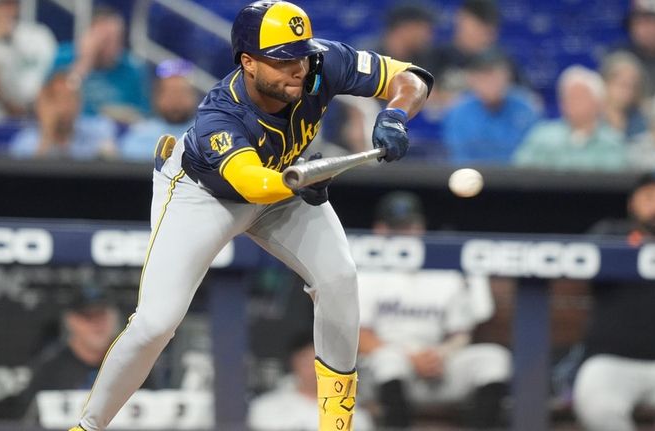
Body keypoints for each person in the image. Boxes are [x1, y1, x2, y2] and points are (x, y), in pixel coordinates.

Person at [67, 2, 433, 431]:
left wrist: (395, 114)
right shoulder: (220, 113)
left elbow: (414, 79)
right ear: (248, 62)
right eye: (282, 60)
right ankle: (88, 426)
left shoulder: (322, 62)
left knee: (339, 279)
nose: (297, 68)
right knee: (155, 323)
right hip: (204, 195)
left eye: (300, 54)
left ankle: (337, 425)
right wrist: (297, 182)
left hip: (284, 181)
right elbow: (250, 184)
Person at [357, 191, 511, 429]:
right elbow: (359, 335)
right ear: (380, 229)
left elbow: (460, 335)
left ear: (421, 227)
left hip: (436, 365)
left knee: (493, 358)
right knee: (388, 361)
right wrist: (411, 357)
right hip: (386, 370)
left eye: (410, 226)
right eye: (397, 228)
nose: (405, 233)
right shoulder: (367, 273)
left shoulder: (443, 272)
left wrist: (440, 354)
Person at [574, 172, 655, 431]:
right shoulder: (611, 234)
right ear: (633, 203)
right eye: (649, 198)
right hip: (613, 363)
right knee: (599, 408)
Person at [0, 284, 157, 421]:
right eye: (88, 317)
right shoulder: (49, 370)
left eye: (102, 315)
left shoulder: (133, 365)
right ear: (71, 321)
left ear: (114, 317)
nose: (97, 324)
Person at [248, 332, 374, 430]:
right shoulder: (266, 408)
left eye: (324, 363)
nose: (315, 370)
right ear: (293, 362)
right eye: (307, 361)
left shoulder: (356, 415)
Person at [514, 65, 626, 171]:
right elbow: (521, 173)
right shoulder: (541, 137)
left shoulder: (612, 143)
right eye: (568, 97)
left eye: (580, 97)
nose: (572, 103)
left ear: (598, 103)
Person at [53, 6, 150, 123]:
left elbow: (142, 115)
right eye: (105, 40)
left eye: (118, 39)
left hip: (116, 133)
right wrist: (84, 63)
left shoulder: (131, 69)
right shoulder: (64, 57)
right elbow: (56, 102)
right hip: (71, 128)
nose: (113, 47)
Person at [443, 47, 540, 164]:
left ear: (507, 76)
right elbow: (458, 156)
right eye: (484, 76)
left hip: (518, 178)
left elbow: (534, 153)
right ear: (472, 79)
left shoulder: (526, 108)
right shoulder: (458, 112)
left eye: (495, 75)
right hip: (473, 176)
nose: (490, 83)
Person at [9, 70, 117, 159]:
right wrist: (47, 133)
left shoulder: (98, 130)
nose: (66, 107)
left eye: (71, 99)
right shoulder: (26, 141)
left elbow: (113, 164)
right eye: (59, 99)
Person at [0, 0, 57, 112]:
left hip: (35, 111)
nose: (4, 11)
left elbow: (52, 74)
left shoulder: (38, 36)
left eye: (9, 4)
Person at [119, 59, 198, 161]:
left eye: (181, 93)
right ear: (157, 97)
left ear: (193, 96)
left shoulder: (206, 136)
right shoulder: (140, 135)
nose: (176, 100)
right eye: (170, 94)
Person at [599, 51, 648, 139]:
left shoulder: (641, 120)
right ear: (606, 83)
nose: (628, 92)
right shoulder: (591, 116)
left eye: (633, 87)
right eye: (622, 85)